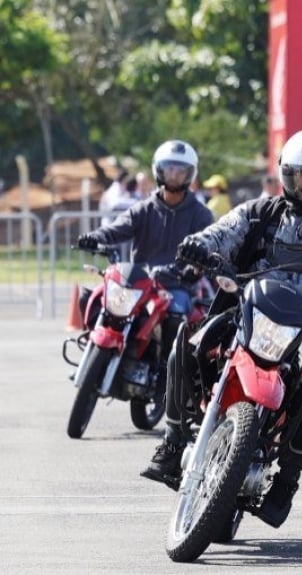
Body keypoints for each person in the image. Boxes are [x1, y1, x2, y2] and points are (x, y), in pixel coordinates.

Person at [139, 128, 302, 529]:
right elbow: (222, 232)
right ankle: (171, 441)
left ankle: (286, 482)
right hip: (247, 312)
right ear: (286, 173)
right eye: (301, 174)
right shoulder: (259, 211)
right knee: (186, 343)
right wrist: (200, 246)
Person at [76, 140, 214, 395]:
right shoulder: (143, 208)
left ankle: (167, 373)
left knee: (176, 314)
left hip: (176, 284)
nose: (174, 175)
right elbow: (117, 228)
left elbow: (210, 245)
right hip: (139, 282)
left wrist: (194, 268)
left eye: (180, 170)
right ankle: (95, 346)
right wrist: (95, 237)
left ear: (190, 174)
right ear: (158, 171)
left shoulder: (200, 214)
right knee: (95, 297)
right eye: (169, 169)